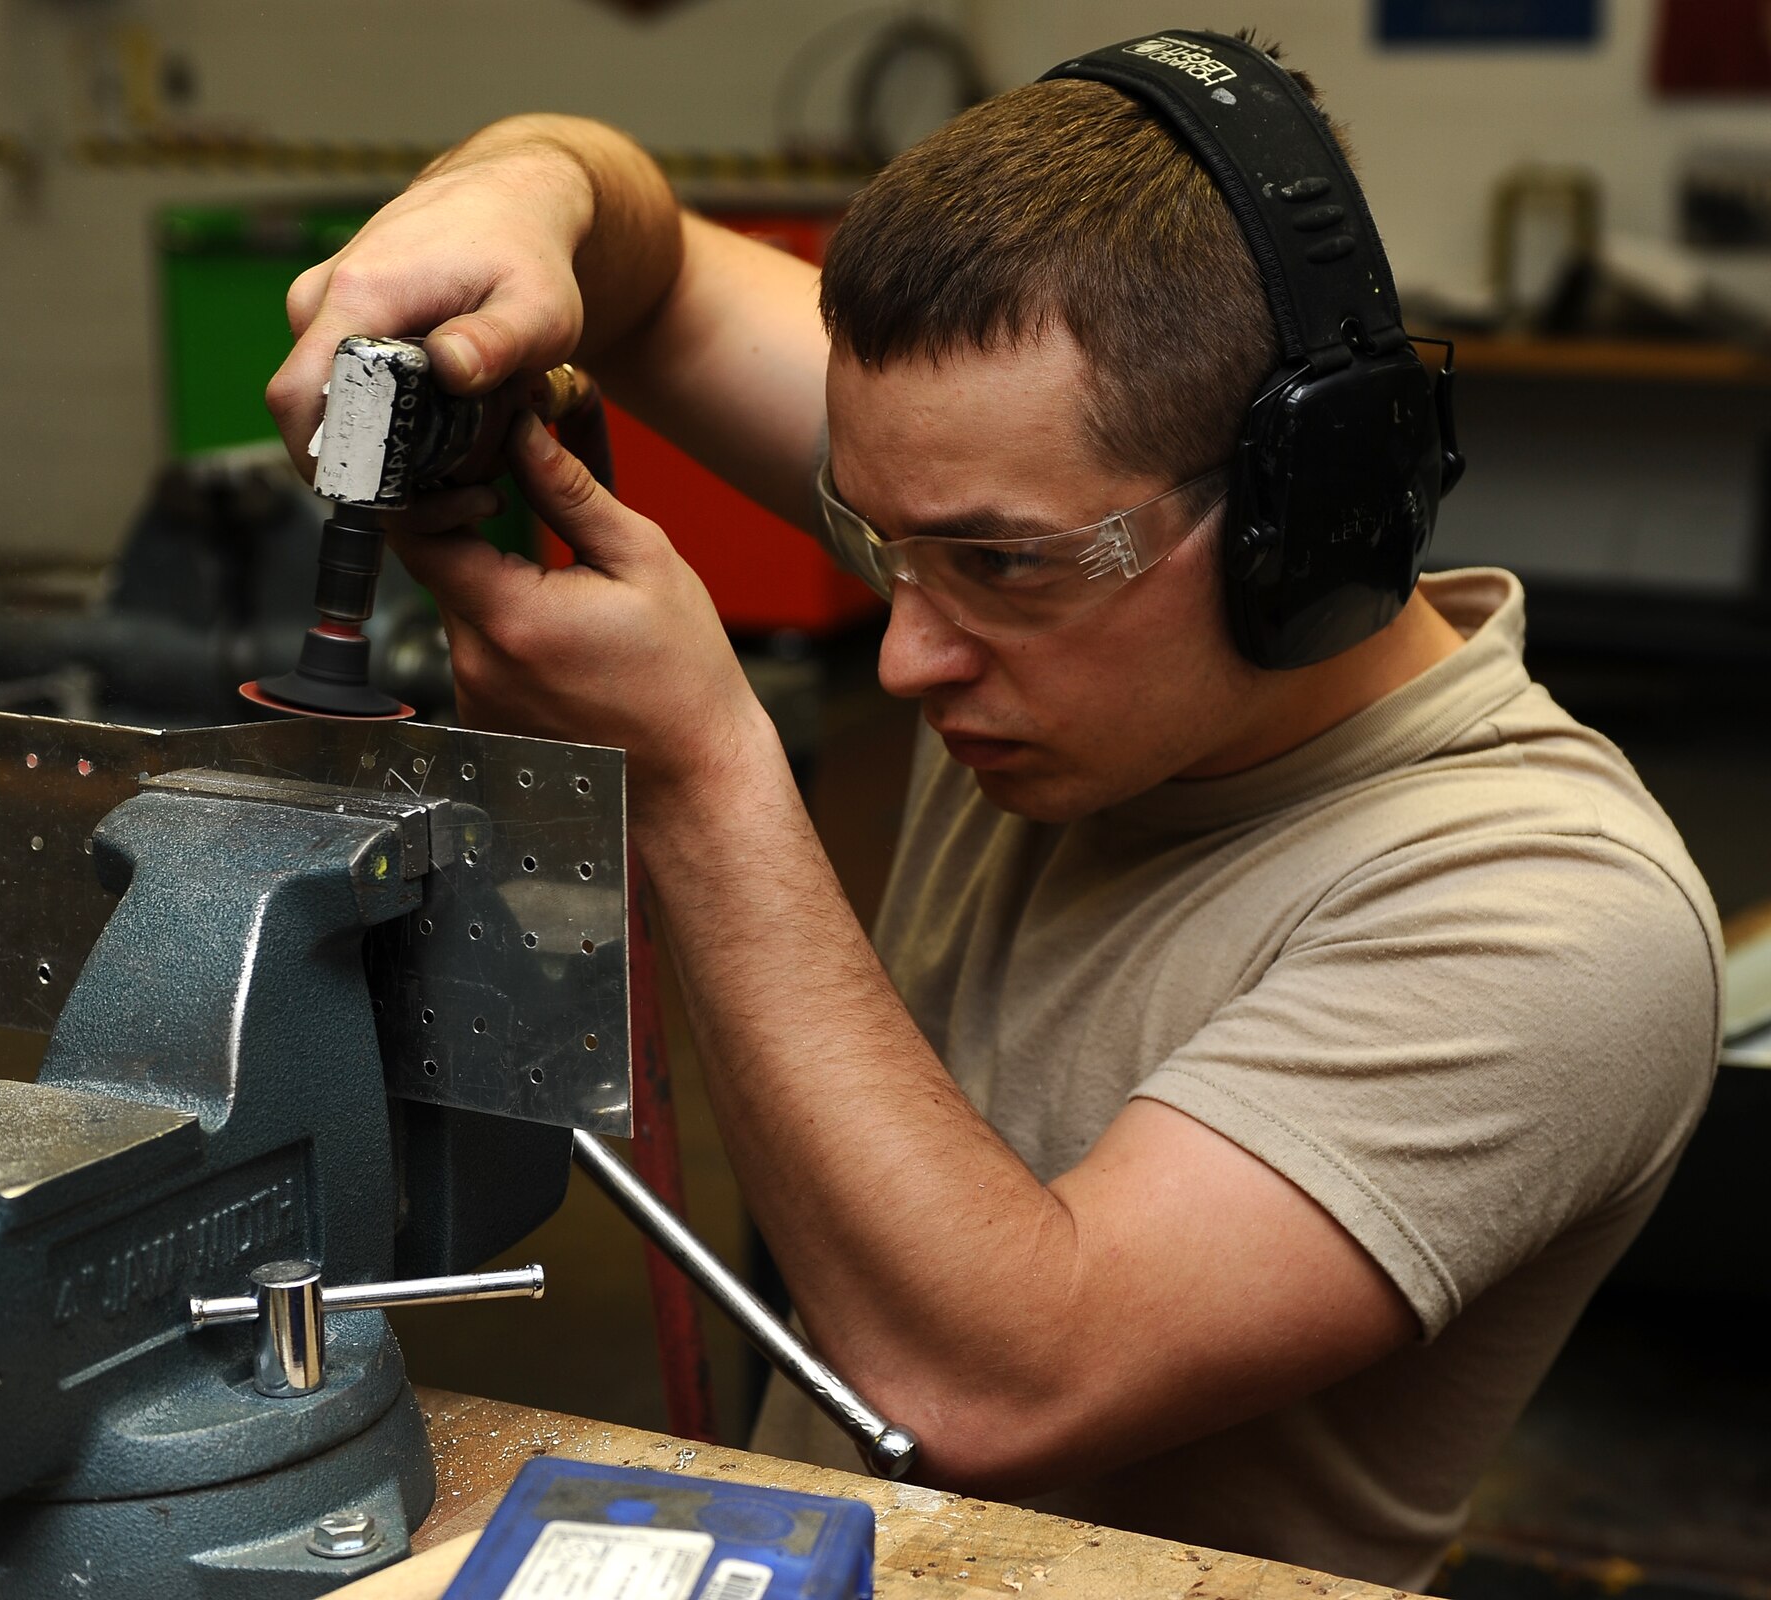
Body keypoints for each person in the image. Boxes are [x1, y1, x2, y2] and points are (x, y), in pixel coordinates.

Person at [265, 36, 1720, 1592]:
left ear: (1304, 513)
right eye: (879, 543)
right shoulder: (1027, 510)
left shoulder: (1559, 913)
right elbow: (655, 268)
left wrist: (697, 776)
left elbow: (987, 1392)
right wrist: (519, 191)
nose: (908, 653)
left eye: (996, 566)